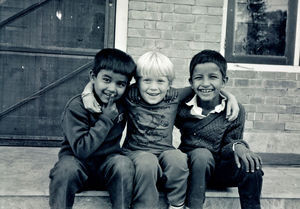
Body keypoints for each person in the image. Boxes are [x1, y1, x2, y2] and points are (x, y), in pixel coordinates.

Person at [82, 51, 240, 209]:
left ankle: (177, 204)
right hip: (135, 151)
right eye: (147, 81)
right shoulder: (131, 94)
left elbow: (205, 87)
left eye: (160, 81)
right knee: (147, 163)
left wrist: (230, 97)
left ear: (169, 83)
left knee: (178, 159)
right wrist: (87, 92)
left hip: (164, 149)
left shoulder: (174, 96)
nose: (153, 88)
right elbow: (111, 86)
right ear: (137, 82)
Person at [49, 48, 136, 209]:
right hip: (78, 166)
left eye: (120, 84)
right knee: (65, 169)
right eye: (106, 80)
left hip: (107, 169)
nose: (112, 89)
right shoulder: (77, 107)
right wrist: (106, 120)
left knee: (124, 164)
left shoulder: (123, 103)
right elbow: (81, 149)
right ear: (93, 77)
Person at [175, 50, 263, 209]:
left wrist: (238, 147)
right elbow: (166, 96)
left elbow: (230, 144)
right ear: (191, 82)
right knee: (201, 154)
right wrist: (229, 95)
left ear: (224, 81)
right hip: (192, 169)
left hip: (220, 170)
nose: (205, 83)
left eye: (213, 77)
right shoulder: (182, 107)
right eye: (198, 78)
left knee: (251, 165)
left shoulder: (234, 110)